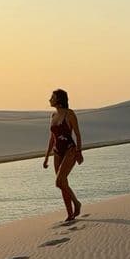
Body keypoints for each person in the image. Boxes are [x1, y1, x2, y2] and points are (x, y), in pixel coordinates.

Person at [43, 88, 84, 222]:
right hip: (57, 152)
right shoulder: (53, 116)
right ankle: (70, 214)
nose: (50, 99)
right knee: (62, 183)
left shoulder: (70, 114)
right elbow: (52, 138)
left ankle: (76, 203)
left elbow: (77, 134)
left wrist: (79, 151)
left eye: (53, 97)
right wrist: (46, 157)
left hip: (69, 149)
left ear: (59, 100)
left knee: (59, 181)